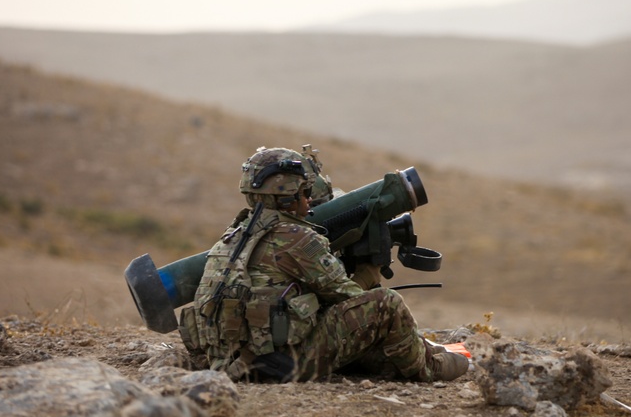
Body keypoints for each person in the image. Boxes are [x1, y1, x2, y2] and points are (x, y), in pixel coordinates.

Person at [178, 146, 470, 383]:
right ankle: (430, 368)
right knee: (387, 303)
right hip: (281, 365)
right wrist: (368, 276)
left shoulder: (230, 238)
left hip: (229, 364)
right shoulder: (297, 239)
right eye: (304, 194)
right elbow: (350, 300)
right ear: (286, 200)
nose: (309, 203)